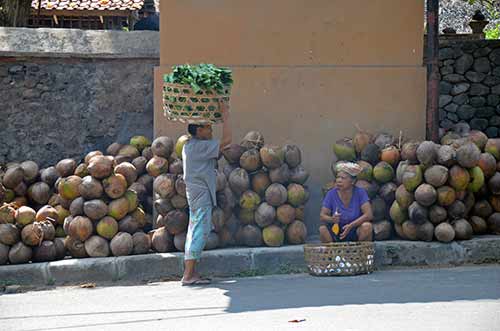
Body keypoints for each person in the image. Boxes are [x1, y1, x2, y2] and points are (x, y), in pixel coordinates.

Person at [181, 101, 231, 286]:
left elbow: (216, 154)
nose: (211, 131)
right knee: (199, 232)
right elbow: (227, 141)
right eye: (208, 128)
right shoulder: (198, 147)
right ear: (199, 130)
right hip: (200, 194)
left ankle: (191, 272)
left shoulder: (191, 146)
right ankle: (188, 275)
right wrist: (226, 115)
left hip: (195, 192)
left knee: (194, 230)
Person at [319, 162, 373, 242]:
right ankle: (334, 252)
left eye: (343, 178)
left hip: (355, 230)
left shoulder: (360, 193)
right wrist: (332, 219)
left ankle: (359, 252)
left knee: (367, 227)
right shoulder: (331, 194)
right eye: (338, 177)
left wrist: (350, 226)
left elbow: (369, 215)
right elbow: (322, 215)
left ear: (353, 181)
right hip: (337, 232)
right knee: (322, 229)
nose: (339, 180)